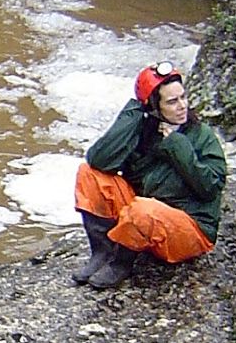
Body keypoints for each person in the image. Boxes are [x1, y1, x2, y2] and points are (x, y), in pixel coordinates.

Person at [71, 61, 227, 289]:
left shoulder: (202, 135)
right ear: (154, 106)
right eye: (172, 102)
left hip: (189, 230)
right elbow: (99, 160)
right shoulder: (145, 129)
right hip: (144, 223)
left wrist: (176, 145)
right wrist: (136, 109)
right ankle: (104, 252)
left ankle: (121, 264)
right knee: (89, 174)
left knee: (143, 209)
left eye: (183, 97)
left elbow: (210, 187)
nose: (182, 106)